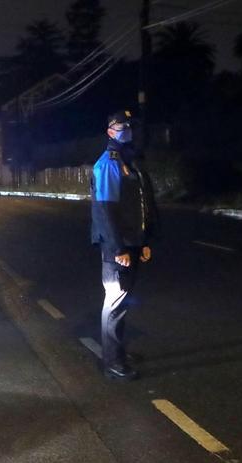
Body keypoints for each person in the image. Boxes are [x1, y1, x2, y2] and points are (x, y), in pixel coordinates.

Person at [90, 110, 159, 381]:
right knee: (115, 302)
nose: (127, 129)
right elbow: (106, 211)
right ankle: (112, 362)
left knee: (123, 301)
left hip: (131, 243)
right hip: (117, 247)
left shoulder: (130, 161)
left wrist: (143, 242)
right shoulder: (109, 163)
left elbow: (138, 207)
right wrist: (119, 249)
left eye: (129, 125)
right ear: (110, 131)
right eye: (121, 125)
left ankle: (118, 352)